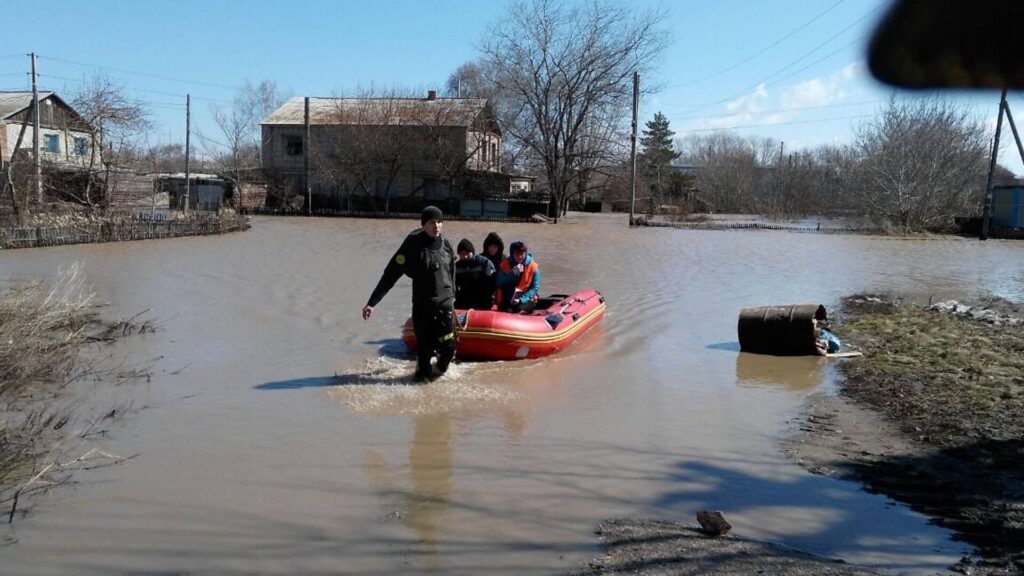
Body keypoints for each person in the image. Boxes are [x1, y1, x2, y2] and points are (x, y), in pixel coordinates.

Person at [362, 206, 456, 381]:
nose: (436, 226)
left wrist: (453, 298)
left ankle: (440, 369)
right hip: (423, 306)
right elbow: (390, 275)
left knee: (449, 347)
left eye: (439, 222)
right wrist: (372, 303)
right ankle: (422, 381)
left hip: (445, 303)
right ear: (423, 225)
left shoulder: (447, 245)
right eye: (431, 222)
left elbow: (452, 272)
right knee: (424, 355)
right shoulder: (412, 247)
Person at [496, 240, 541, 313]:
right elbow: (499, 283)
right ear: (512, 254)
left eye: (521, 254)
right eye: (516, 254)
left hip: (525, 299)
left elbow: (534, 288)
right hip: (508, 299)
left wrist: (521, 300)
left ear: (525, 253)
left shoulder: (533, 267)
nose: (519, 257)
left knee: (520, 310)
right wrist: (512, 274)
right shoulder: (504, 265)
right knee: (507, 311)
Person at [454, 238, 496, 310]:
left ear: (472, 252)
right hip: (465, 298)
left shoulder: (484, 263)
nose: (465, 256)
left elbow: (491, 283)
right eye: (462, 254)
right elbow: (454, 285)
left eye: (467, 253)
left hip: (482, 297)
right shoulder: (456, 266)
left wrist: (488, 301)